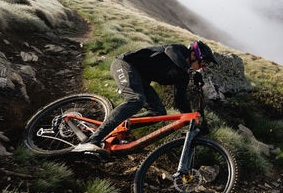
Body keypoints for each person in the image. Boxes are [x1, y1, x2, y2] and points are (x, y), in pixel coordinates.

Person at [71, 40, 218, 153]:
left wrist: (196, 120)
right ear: (194, 55)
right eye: (203, 62)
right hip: (124, 64)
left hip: (139, 78)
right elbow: (170, 52)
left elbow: (180, 100)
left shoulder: (183, 76)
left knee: (159, 112)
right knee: (136, 100)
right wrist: (190, 71)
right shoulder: (179, 50)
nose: (202, 67)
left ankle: (122, 125)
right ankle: (91, 141)